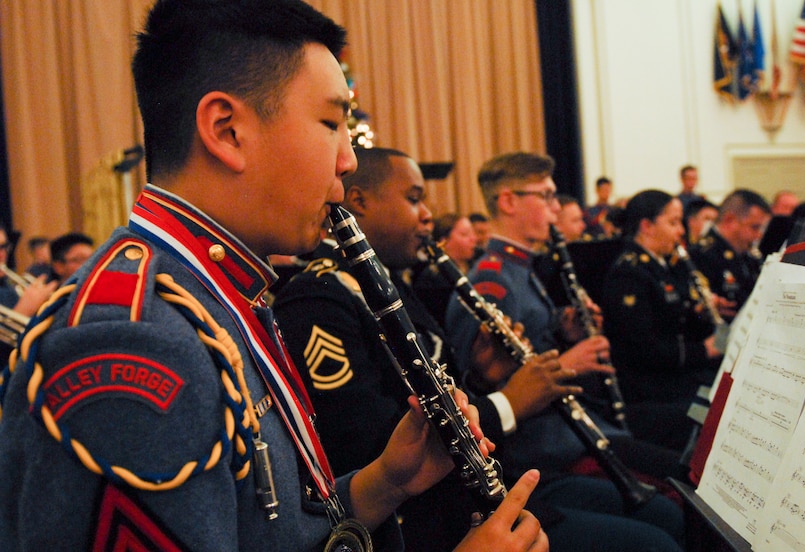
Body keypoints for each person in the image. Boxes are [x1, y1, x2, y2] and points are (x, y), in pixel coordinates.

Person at [0, 3, 547, 551]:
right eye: (332, 123)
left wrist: (384, 482)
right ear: (227, 130)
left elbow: (267, 531)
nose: (348, 160)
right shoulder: (130, 338)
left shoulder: (221, 290)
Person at [276, 147, 682, 551]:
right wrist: (509, 402)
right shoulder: (321, 299)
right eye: (414, 198)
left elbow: (434, 387)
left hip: (478, 493)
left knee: (663, 517)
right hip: (431, 524)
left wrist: (480, 377)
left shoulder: (387, 283)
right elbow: (370, 446)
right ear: (359, 201)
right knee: (655, 540)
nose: (428, 215)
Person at [445, 151, 686, 550]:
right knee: (670, 505)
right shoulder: (490, 283)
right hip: (539, 452)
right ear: (508, 201)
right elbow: (482, 385)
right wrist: (568, 364)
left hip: (564, 434)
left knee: (675, 483)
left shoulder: (522, 269)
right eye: (547, 196)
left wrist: (563, 326)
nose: (556, 208)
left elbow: (528, 342)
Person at [600, 190, 719, 450]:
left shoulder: (661, 265)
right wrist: (704, 350)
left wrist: (701, 312)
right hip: (646, 389)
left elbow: (676, 319)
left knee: (724, 390)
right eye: (673, 222)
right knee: (716, 409)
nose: (681, 232)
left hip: (669, 375)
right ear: (647, 226)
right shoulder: (629, 273)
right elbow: (645, 351)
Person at [689, 189, 771, 323]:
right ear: (729, 220)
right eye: (754, 227)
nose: (759, 235)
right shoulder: (700, 255)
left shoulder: (749, 255)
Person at [413, 212, 479, 326]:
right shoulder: (433, 279)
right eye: (465, 234)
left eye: (473, 233)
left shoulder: (475, 266)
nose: (474, 239)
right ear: (444, 241)